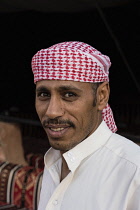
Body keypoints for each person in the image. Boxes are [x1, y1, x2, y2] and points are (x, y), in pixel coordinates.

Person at [31, 41, 140, 210]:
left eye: (69, 94)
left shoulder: (134, 172)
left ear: (102, 96)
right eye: (44, 94)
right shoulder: (54, 162)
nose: (52, 112)